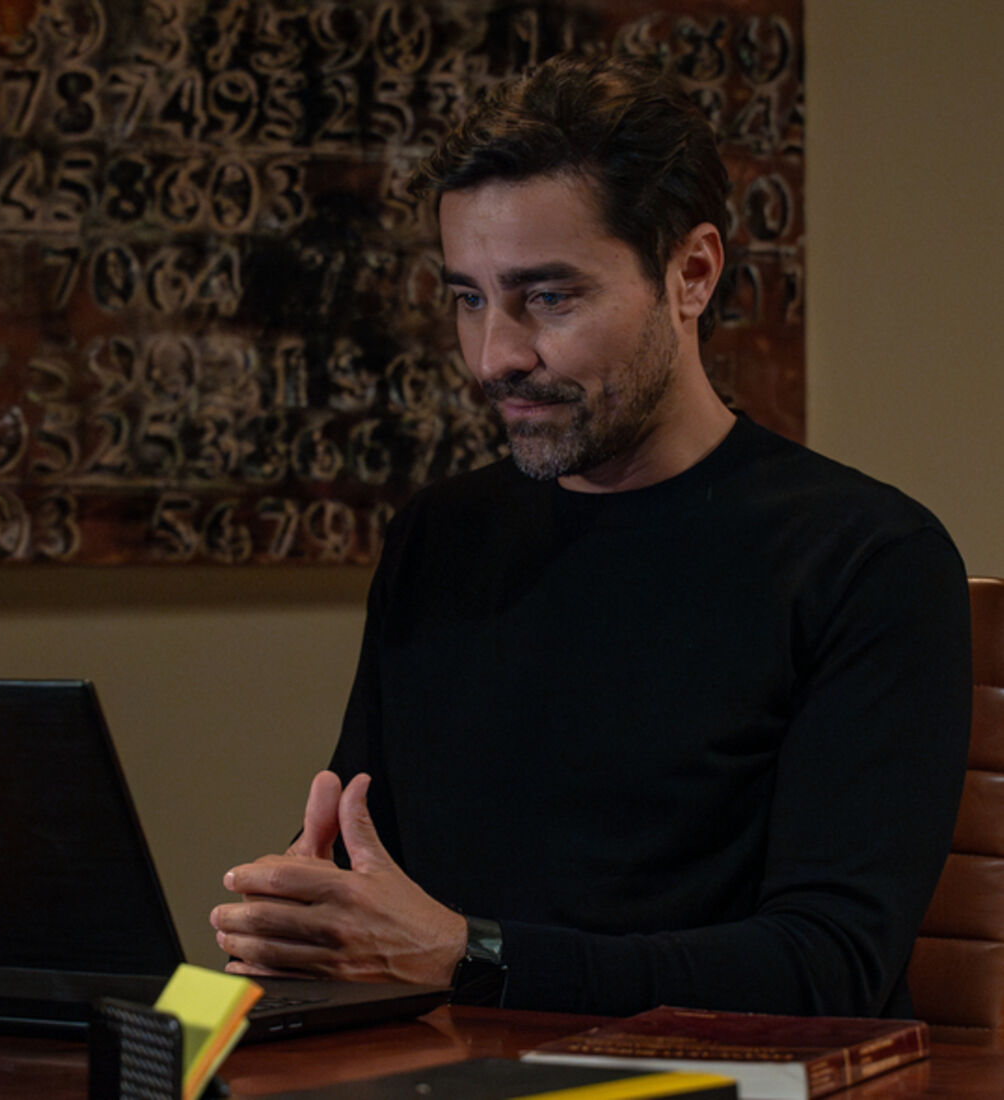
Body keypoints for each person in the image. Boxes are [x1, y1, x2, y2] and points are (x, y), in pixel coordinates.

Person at [210, 54, 971, 1018]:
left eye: (549, 298)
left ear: (691, 274)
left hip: (718, 1077)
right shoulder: (440, 537)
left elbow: (829, 968)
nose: (496, 357)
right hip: (446, 1073)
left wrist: (470, 958)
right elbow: (371, 868)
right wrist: (292, 924)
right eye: (469, 298)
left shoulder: (868, 560)